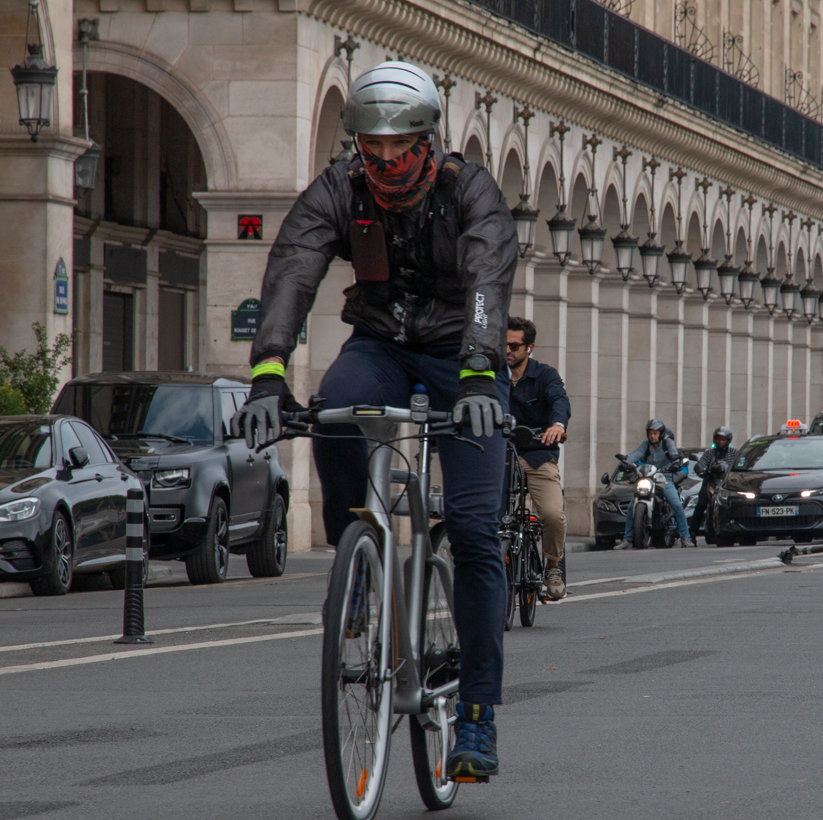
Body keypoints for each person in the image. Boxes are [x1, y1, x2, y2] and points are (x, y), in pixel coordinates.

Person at [232, 62, 513, 782]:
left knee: (478, 531)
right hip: (381, 345)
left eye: (400, 147)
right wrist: (267, 373)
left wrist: (482, 368)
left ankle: (477, 715)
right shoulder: (339, 189)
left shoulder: (470, 190)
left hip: (463, 357)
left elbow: (487, 280)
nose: (385, 162)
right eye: (371, 148)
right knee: (333, 409)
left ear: (427, 140)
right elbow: (293, 267)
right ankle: (361, 551)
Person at [505, 316, 570, 599]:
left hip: (538, 456)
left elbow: (559, 401)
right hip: (503, 458)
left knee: (553, 515)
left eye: (514, 346)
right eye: (503, 344)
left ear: (529, 348)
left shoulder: (545, 375)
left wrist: (557, 425)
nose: (507, 350)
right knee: (496, 516)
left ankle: (553, 566)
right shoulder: (491, 374)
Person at [620, 419, 692, 548]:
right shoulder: (645, 445)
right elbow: (637, 454)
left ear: (661, 433)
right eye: (650, 433)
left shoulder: (667, 443)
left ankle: (685, 537)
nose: (652, 436)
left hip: (664, 478)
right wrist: (627, 463)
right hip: (648, 478)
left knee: (676, 504)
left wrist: (675, 462)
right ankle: (627, 539)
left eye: (655, 433)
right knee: (632, 506)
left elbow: (673, 453)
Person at [687, 426, 736, 541]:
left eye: (723, 440)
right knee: (700, 504)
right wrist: (702, 470)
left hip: (726, 484)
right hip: (711, 481)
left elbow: (738, 464)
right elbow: (700, 464)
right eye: (718, 439)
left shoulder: (734, 453)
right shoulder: (709, 453)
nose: (720, 442)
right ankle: (693, 532)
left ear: (728, 441)